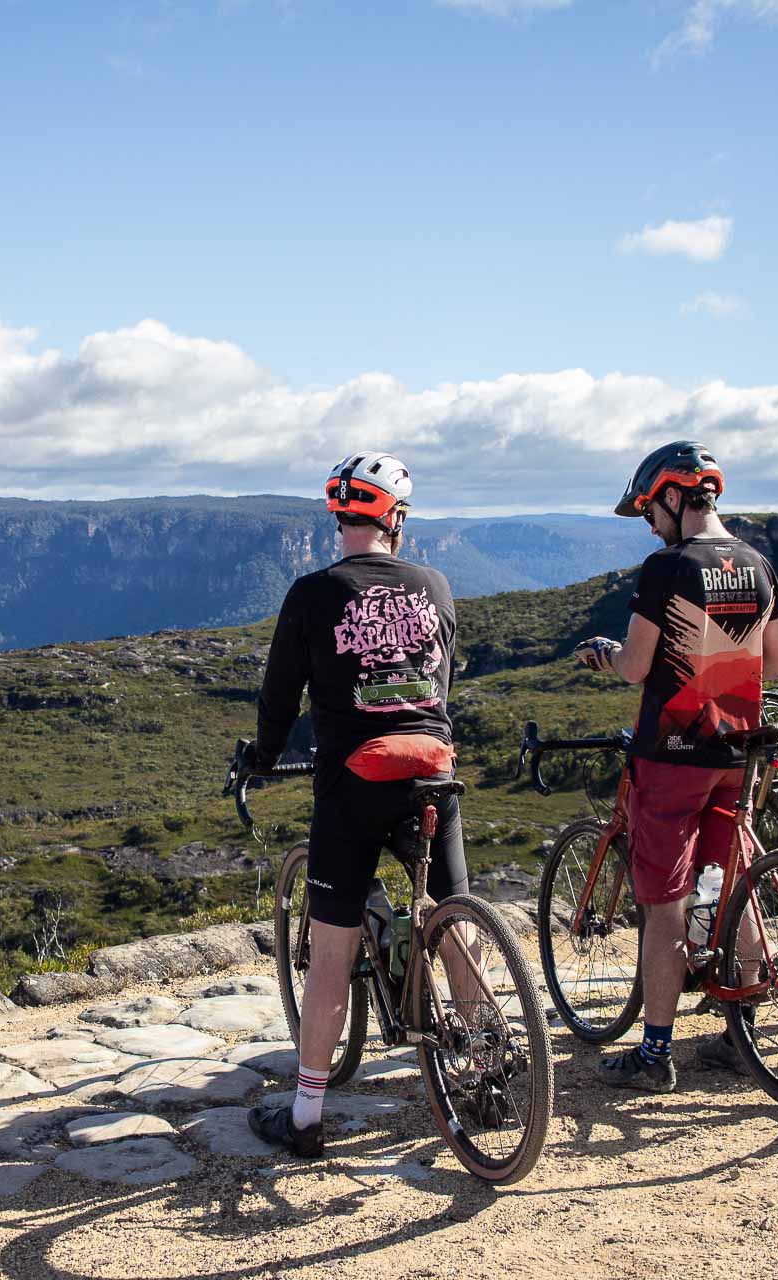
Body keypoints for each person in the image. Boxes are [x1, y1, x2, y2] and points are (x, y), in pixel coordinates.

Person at [245, 451, 467, 1156]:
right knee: (455, 918)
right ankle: (488, 1053)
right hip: (432, 771)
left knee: (333, 950)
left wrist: (261, 753)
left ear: (340, 516)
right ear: (395, 519)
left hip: (353, 785)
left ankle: (307, 1115)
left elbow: (280, 697)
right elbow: (443, 675)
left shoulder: (312, 593)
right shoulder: (434, 583)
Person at [574, 441, 778, 1092]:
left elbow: (638, 667)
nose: (648, 524)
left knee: (667, 901)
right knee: (729, 879)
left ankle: (655, 1052)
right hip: (738, 748)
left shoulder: (668, 566)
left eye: (648, 510)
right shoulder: (758, 563)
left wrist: (608, 656)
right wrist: (722, 658)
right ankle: (742, 1033)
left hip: (672, 756)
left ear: (673, 497)